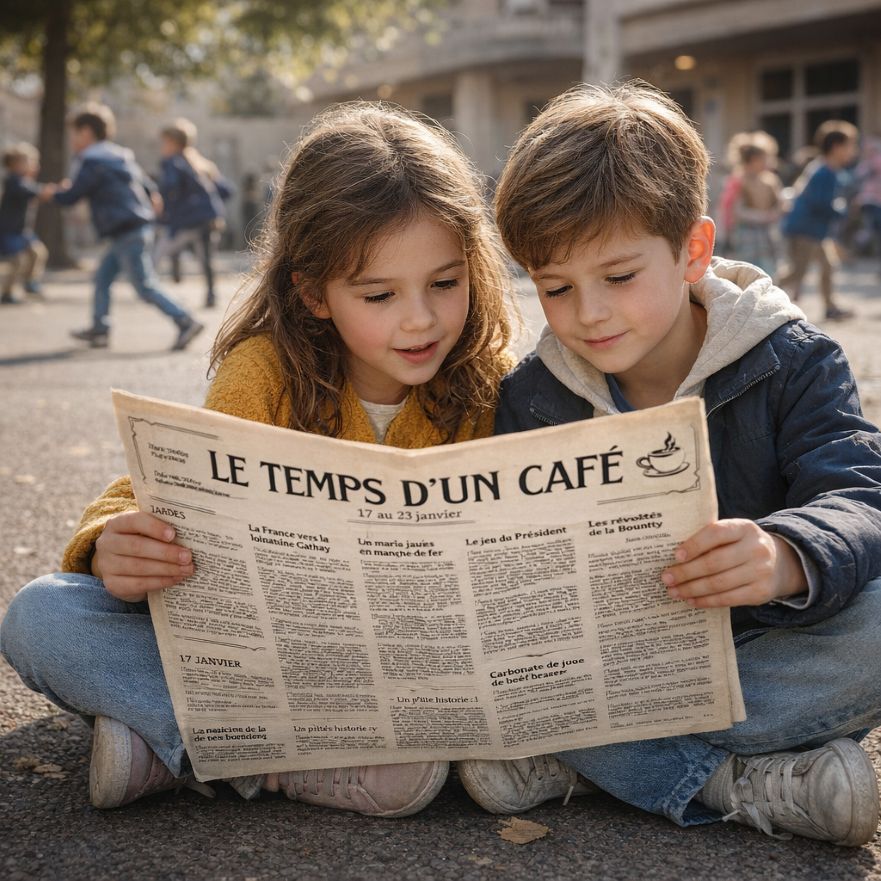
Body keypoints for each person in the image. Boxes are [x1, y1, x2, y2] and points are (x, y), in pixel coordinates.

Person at [0, 102, 515, 815]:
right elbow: (152, 490)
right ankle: (298, 764)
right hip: (263, 665)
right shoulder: (264, 371)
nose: (420, 318)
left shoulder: (490, 380)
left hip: (412, 674)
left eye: (444, 282)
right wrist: (111, 543)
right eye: (379, 294)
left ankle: (172, 751)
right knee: (42, 616)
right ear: (313, 292)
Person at [457, 81, 881, 847]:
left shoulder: (791, 358)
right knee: (499, 685)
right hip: (609, 670)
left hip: (765, 647)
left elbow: (856, 489)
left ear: (692, 249)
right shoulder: (531, 395)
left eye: (618, 277)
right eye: (555, 287)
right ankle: (740, 779)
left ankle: (586, 766)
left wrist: (788, 554)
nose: (589, 312)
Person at [46, 103, 203, 350]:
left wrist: (53, 193)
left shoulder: (92, 161)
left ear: (86, 132)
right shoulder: (119, 155)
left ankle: (185, 320)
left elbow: (73, 195)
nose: (73, 140)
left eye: (75, 134)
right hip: (131, 228)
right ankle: (99, 329)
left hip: (127, 229)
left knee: (144, 286)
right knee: (102, 277)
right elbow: (144, 182)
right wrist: (153, 196)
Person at [775, 120, 860, 320]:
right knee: (797, 271)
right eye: (850, 146)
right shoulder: (824, 172)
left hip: (816, 230)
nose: (852, 151)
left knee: (828, 266)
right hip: (805, 230)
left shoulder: (827, 169)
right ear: (837, 147)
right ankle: (762, 292)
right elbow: (819, 202)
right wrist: (839, 210)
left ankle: (830, 307)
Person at [155, 118, 233, 308]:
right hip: (210, 217)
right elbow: (226, 190)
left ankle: (151, 288)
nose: (162, 147)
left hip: (189, 220)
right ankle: (211, 295)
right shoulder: (201, 163)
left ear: (173, 143)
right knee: (206, 258)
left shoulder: (173, 162)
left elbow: (169, 188)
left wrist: (166, 203)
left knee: (159, 251)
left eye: (164, 143)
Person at [719, 132, 782, 275]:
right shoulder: (739, 182)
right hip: (746, 235)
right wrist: (762, 216)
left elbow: (778, 204)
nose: (768, 163)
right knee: (747, 271)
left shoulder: (770, 181)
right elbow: (736, 210)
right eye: (764, 159)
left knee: (768, 270)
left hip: (766, 234)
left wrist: (776, 212)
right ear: (753, 160)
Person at [0, 142, 48, 303]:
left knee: (37, 252)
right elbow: (30, 191)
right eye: (29, 162)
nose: (34, 165)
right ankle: (7, 292)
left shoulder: (23, 181)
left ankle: (30, 281)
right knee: (17, 260)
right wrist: (48, 191)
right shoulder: (13, 181)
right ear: (15, 165)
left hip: (22, 231)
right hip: (9, 230)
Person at [855, 134, 881, 276]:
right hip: (869, 202)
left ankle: (861, 240)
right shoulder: (865, 165)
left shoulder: (874, 161)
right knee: (872, 231)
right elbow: (858, 178)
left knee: (873, 232)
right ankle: (861, 240)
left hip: (875, 202)